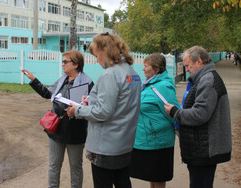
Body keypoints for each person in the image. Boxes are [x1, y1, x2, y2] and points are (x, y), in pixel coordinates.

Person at [66, 32, 142, 188]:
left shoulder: (110, 75)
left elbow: (103, 112)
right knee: (123, 182)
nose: (97, 60)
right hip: (124, 143)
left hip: (106, 146)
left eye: (96, 56)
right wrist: (91, 100)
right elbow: (121, 104)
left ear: (104, 52)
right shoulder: (131, 73)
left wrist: (77, 110)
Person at [22, 50, 94, 188]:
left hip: (75, 132)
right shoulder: (62, 80)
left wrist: (78, 110)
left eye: (65, 62)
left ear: (76, 64)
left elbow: (91, 107)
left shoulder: (88, 83)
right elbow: (47, 94)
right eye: (63, 62)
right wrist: (33, 79)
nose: (62, 65)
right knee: (54, 165)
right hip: (56, 130)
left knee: (75, 168)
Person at [164, 46, 232, 188]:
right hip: (201, 148)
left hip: (204, 150)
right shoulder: (205, 78)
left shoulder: (207, 81)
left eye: (188, 65)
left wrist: (175, 112)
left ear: (199, 62)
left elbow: (200, 114)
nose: (186, 69)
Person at [130, 53, 179, 188]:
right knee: (152, 176)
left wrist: (156, 128)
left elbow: (174, 113)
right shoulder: (148, 84)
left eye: (146, 66)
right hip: (148, 140)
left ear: (156, 69)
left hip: (158, 141)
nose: (143, 69)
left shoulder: (162, 87)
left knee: (158, 177)